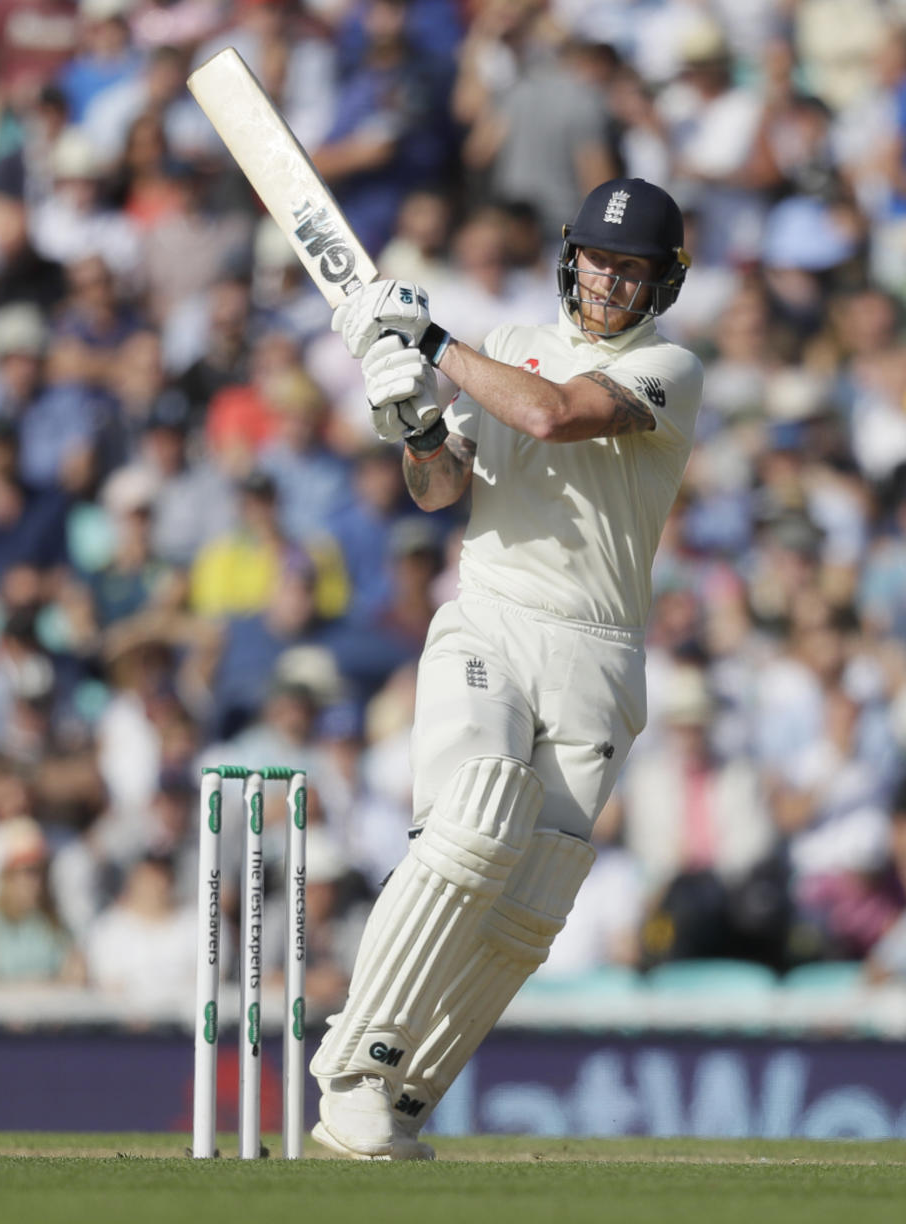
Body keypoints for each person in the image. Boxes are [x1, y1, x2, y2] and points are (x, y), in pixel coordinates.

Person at [308, 177, 703, 1159]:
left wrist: (435, 349)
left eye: (633, 268)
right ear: (572, 257)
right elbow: (441, 490)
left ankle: (403, 1100)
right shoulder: (514, 344)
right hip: (492, 618)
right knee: (477, 816)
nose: (611, 283)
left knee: (532, 902)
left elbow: (556, 416)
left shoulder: (668, 366)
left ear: (664, 282)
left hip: (601, 654)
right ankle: (357, 1058)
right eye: (600, 260)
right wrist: (415, 422)